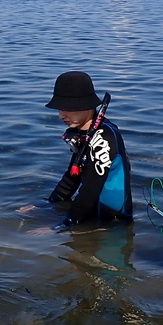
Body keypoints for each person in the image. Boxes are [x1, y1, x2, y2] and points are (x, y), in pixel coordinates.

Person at [45, 71, 133, 224]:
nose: (60, 116)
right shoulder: (85, 134)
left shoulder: (103, 139)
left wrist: (62, 225)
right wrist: (47, 204)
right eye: (59, 109)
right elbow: (72, 178)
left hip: (113, 224)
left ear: (86, 106)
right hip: (90, 214)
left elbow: (90, 191)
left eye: (66, 108)